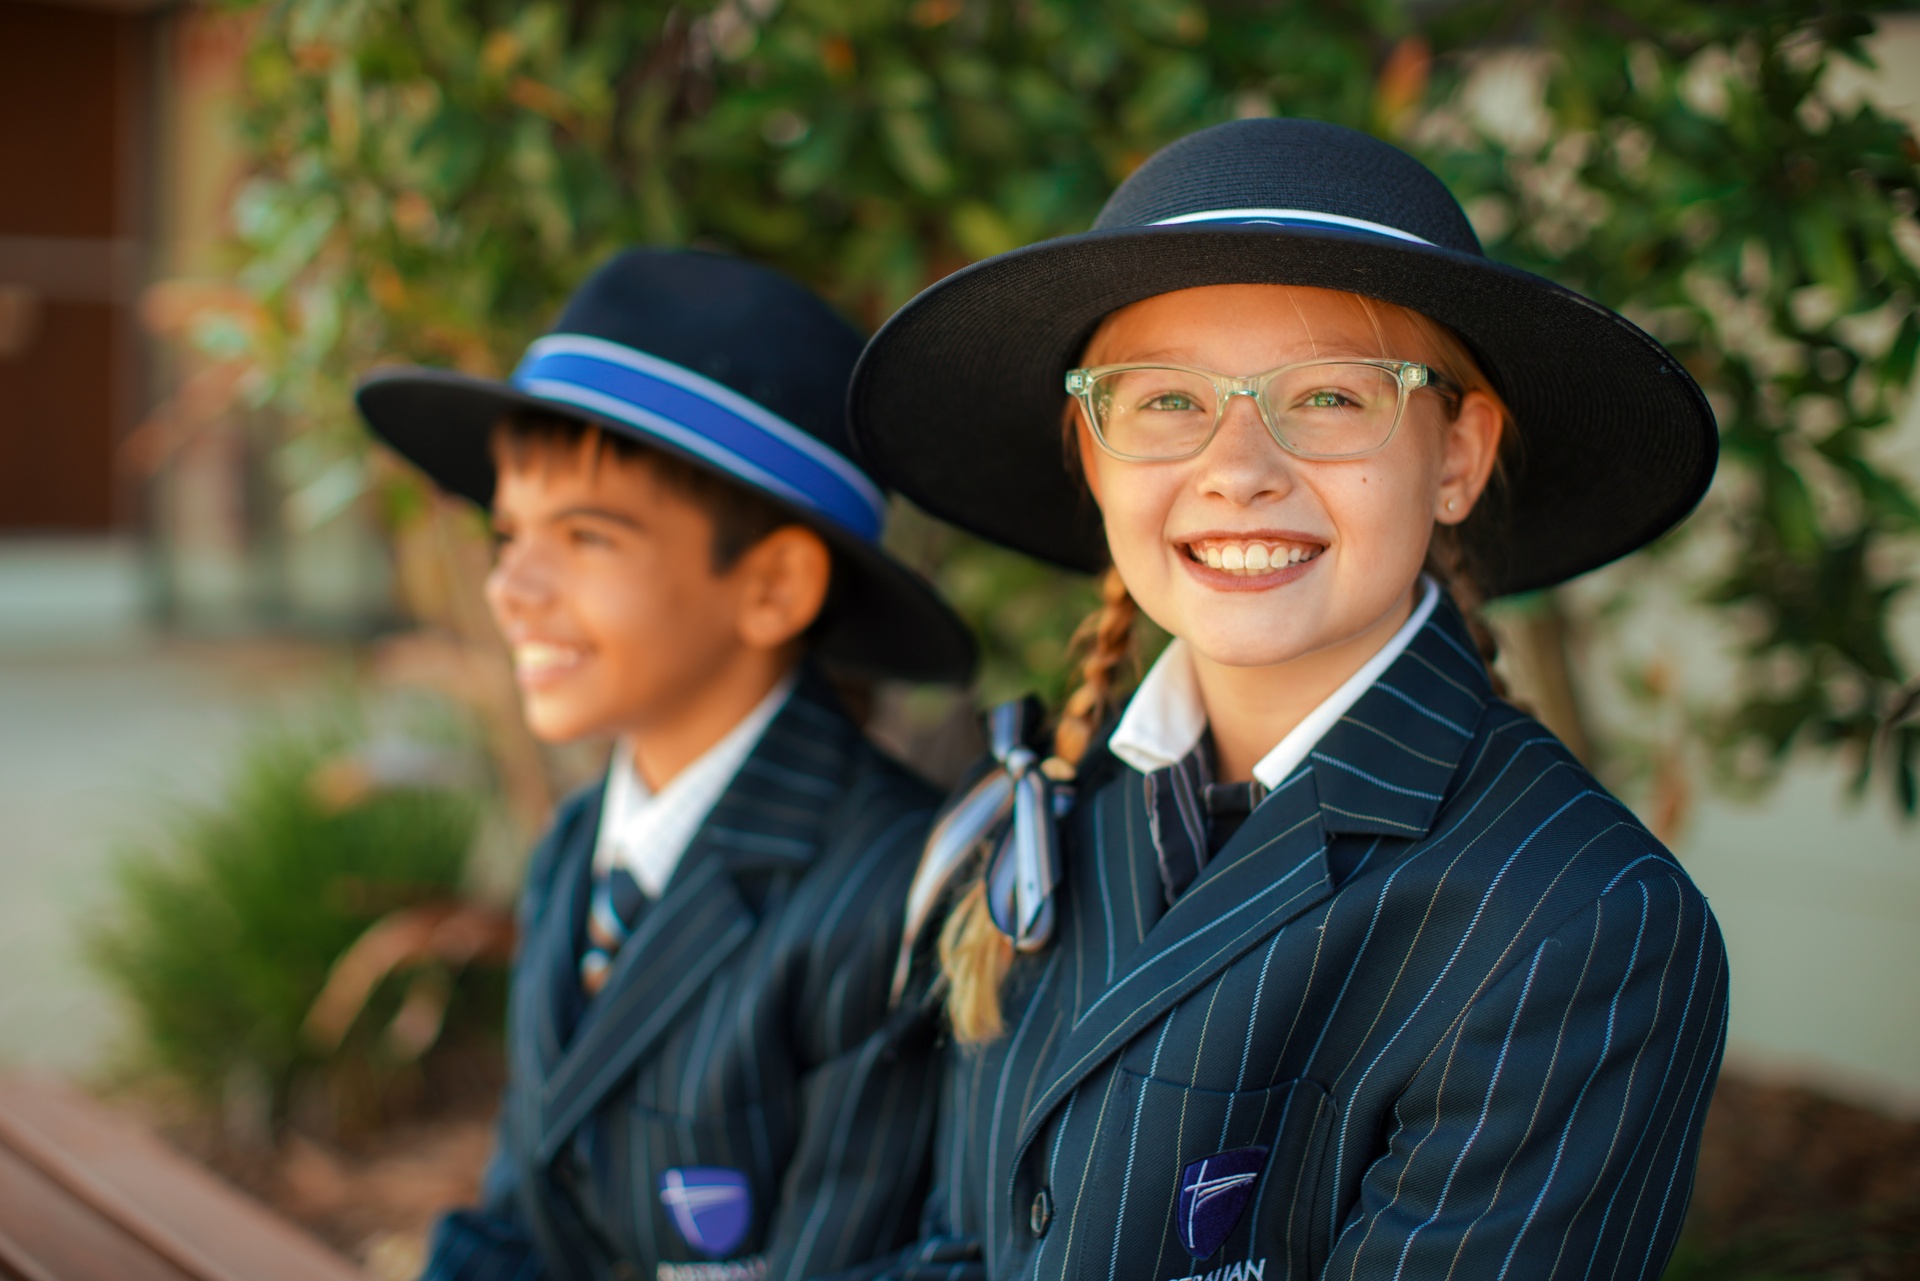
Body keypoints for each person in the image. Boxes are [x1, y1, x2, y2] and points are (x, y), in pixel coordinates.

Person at [847, 119, 1728, 1281]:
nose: (1239, 465)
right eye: (1163, 400)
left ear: (1456, 457)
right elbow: (954, 1239)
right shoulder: (1041, 813)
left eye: (1328, 396)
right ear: (1093, 450)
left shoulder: (1578, 923)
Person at [355, 248, 975, 1281]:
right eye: (510, 535)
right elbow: (522, 1218)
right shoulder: (575, 854)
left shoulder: (888, 897)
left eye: (587, 537)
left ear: (773, 585)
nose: (512, 587)